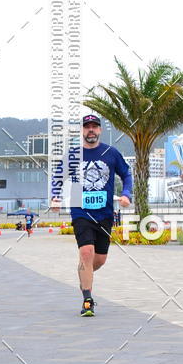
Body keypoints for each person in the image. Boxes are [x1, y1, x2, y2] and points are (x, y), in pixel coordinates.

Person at [51, 114, 132, 317]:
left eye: (94, 127)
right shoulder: (73, 155)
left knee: (100, 259)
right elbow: (58, 177)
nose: (91, 130)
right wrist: (55, 197)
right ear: (82, 130)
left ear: (100, 130)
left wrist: (126, 194)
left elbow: (127, 174)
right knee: (86, 252)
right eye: (87, 127)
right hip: (80, 210)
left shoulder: (111, 153)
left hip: (104, 213)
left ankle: (84, 273)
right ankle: (88, 300)